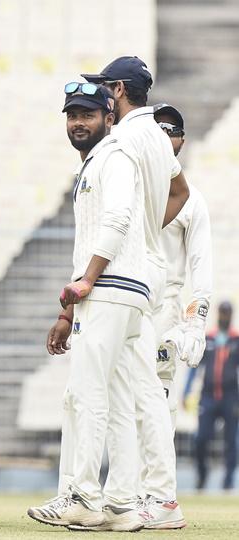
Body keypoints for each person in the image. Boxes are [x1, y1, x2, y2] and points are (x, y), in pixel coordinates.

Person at [28, 83, 147, 532]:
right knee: (115, 399)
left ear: (109, 118)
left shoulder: (113, 157)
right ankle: (120, 504)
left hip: (111, 288)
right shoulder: (98, 162)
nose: (78, 123)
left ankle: (83, 497)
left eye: (88, 115)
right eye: (72, 115)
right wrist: (68, 312)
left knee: (86, 395)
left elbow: (117, 219)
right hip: (118, 292)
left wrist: (89, 280)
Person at [82, 57, 188, 529]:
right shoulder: (158, 138)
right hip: (149, 274)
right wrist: (150, 232)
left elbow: (119, 214)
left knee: (103, 391)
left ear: (119, 90)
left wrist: (92, 271)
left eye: (104, 87)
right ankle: (150, 500)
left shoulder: (123, 137)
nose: (101, 95)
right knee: (143, 393)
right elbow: (180, 191)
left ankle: (91, 496)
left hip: (122, 274)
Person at [152, 103, 212, 420]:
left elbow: (201, 267)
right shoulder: (130, 188)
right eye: (157, 129)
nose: (164, 136)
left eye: (171, 131)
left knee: (158, 404)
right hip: (127, 301)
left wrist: (196, 324)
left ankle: (159, 471)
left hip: (165, 307)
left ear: (182, 141)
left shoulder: (193, 201)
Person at [183, 301, 239, 490]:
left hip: (230, 396)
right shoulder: (209, 338)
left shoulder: (236, 339)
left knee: (231, 441)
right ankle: (202, 474)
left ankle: (228, 481)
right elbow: (195, 368)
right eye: (222, 312)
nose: (224, 316)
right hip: (208, 396)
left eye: (227, 312)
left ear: (231, 314)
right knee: (201, 438)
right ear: (218, 314)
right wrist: (186, 391)